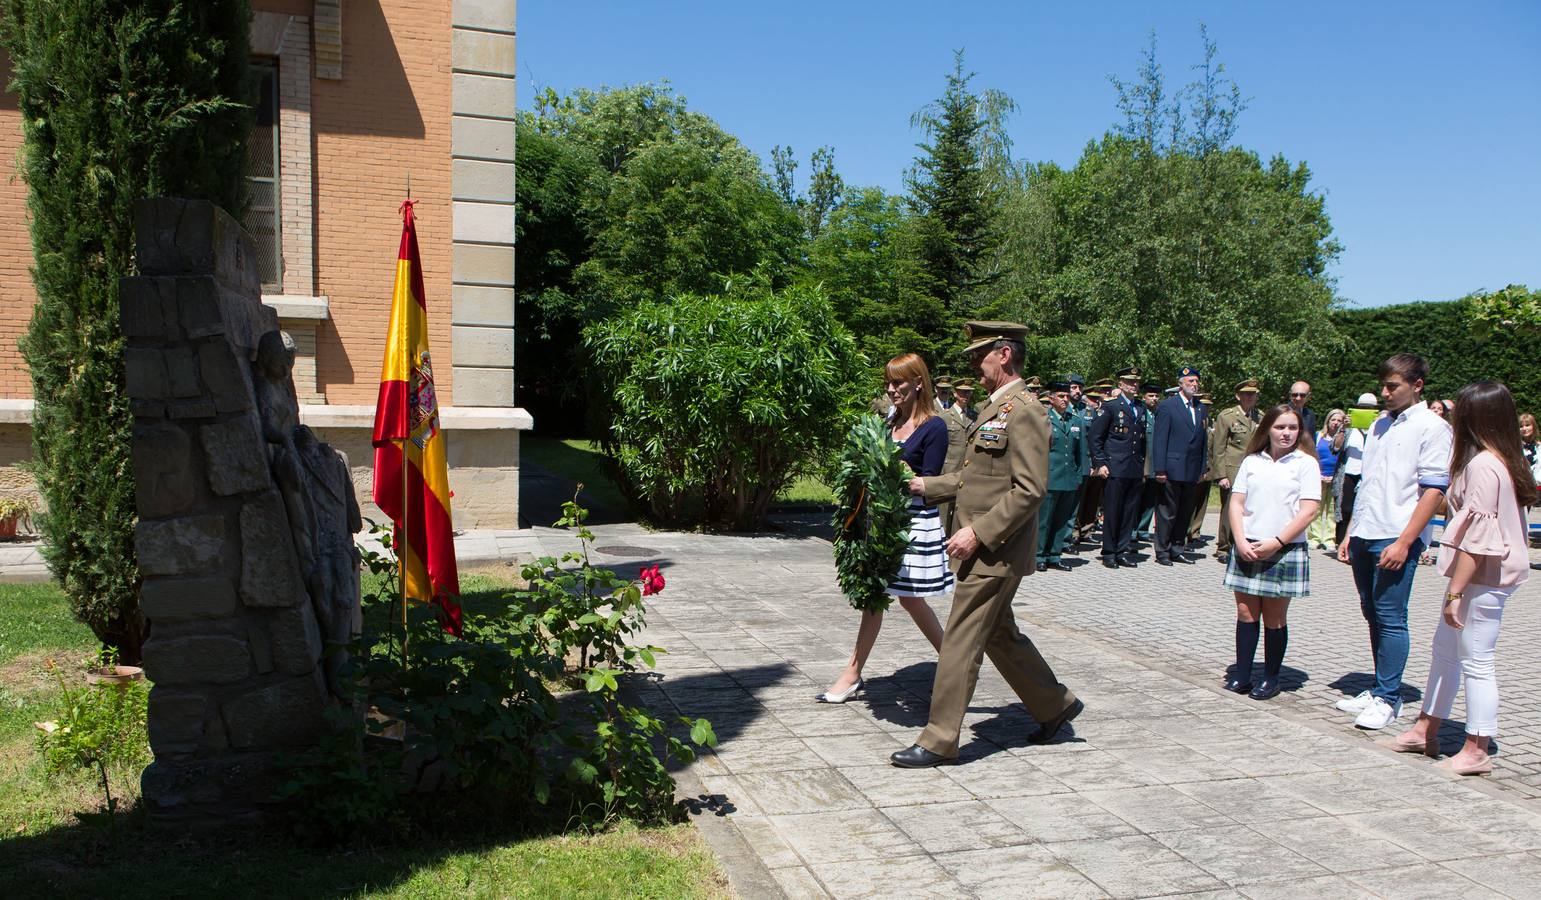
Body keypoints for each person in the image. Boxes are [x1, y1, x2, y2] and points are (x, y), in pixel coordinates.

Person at [892, 322, 1082, 767]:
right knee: (998, 633)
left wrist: (977, 532)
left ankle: (940, 738)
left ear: (1004, 354)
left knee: (960, 638)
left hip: (996, 548)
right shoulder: (995, 407)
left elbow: (1030, 490)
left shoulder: (1025, 410)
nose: (974, 367)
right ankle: (1054, 704)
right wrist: (926, 485)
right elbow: (976, 478)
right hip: (986, 545)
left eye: (980, 357)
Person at [1378, 381, 1534, 775]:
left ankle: (1477, 746)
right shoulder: (1495, 459)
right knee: (1445, 650)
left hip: (1483, 577)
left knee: (1476, 659)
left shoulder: (1484, 465)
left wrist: (1455, 594)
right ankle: (1426, 728)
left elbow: (1477, 540)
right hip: (1479, 576)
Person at [819, 353, 949, 703]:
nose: (891, 390)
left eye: (899, 383)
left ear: (919, 382)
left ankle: (954, 661)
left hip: (911, 524)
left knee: (907, 599)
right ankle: (854, 673)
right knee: (880, 597)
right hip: (880, 522)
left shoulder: (934, 427)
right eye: (888, 383)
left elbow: (931, 483)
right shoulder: (890, 421)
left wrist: (888, 469)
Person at [1335, 353, 1452, 730]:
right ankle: (1378, 686)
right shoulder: (1382, 424)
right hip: (1366, 531)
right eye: (1383, 385)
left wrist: (1406, 541)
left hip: (1396, 533)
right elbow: (1368, 484)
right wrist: (1351, 531)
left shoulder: (1433, 427)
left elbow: (1434, 491)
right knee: (1371, 611)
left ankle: (1389, 696)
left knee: (1390, 615)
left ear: (1417, 386)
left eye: (1392, 386)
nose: (1384, 393)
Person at [1222, 404, 1321, 700]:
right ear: (1267, 429)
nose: (1287, 433)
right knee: (1245, 612)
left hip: (1284, 548)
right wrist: (1239, 540)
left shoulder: (1306, 463)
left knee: (1274, 618)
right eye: (1280, 427)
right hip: (1248, 545)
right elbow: (1236, 503)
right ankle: (1242, 674)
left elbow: (1308, 511)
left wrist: (1276, 542)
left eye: (1293, 428)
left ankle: (1271, 678)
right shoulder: (1252, 461)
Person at [1087, 368, 1148, 568]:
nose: (1134, 386)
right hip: (1114, 466)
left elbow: (1142, 440)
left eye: (1137, 382)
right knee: (1112, 511)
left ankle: (1122, 551)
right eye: (1130, 382)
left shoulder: (1140, 407)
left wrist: (1143, 465)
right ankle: (1109, 552)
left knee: (1129, 511)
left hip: (1134, 467)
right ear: (1120, 384)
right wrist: (1100, 463)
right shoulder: (1111, 406)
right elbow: (1096, 437)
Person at [1151, 366, 1208, 565]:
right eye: (1190, 381)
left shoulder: (1200, 407)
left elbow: (1203, 441)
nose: (1194, 384)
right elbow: (1160, 440)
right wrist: (1159, 468)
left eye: (1196, 381)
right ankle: (1163, 551)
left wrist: (1203, 468)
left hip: (1191, 470)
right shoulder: (1168, 406)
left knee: (1185, 512)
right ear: (1180, 384)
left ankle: (1177, 548)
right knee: (1168, 512)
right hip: (1172, 468)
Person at [1209, 379, 1263, 563]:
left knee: (1250, 508)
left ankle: (1242, 543)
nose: (1250, 397)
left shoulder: (1260, 416)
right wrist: (1221, 474)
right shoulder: (1227, 416)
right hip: (1233, 469)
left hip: (1255, 468)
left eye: (1253, 393)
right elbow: (1219, 447)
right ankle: (1224, 547)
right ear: (1237, 396)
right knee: (1229, 508)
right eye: (1246, 393)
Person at [1037, 382, 1085, 572]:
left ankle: (1055, 555)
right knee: (1044, 520)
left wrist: (1079, 475)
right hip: (1049, 477)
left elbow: (1079, 452)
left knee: (1062, 520)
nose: (1065, 399)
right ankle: (1039, 555)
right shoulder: (1044, 420)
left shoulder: (1075, 420)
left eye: (1067, 396)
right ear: (1051, 399)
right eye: (1061, 396)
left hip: (1068, 478)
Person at [1308, 410, 1347, 551]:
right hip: (1319, 476)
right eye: (1333, 420)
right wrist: (1318, 475)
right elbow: (1311, 455)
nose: (1335, 423)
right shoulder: (1318, 436)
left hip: (1335, 478)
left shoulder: (1344, 437)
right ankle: (1314, 538)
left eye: (1339, 420)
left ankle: (1330, 539)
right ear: (1328, 421)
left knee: (1332, 509)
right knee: (1316, 509)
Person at [1187, 392, 1217, 548]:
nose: (1206, 408)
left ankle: (1195, 531)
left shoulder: (1212, 422)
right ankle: (1185, 531)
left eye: (1209, 406)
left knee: (1202, 502)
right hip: (1194, 467)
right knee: (1189, 501)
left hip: (1209, 468)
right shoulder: (1193, 419)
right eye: (1204, 405)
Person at [1135, 382, 1163, 541]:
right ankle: (1132, 530)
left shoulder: (1159, 414)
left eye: (1156, 396)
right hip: (1142, 464)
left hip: (1155, 465)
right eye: (1151, 396)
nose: (1154, 399)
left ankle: (1142, 530)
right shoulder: (1140, 412)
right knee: (1137, 499)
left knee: (1149, 501)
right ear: (1144, 397)